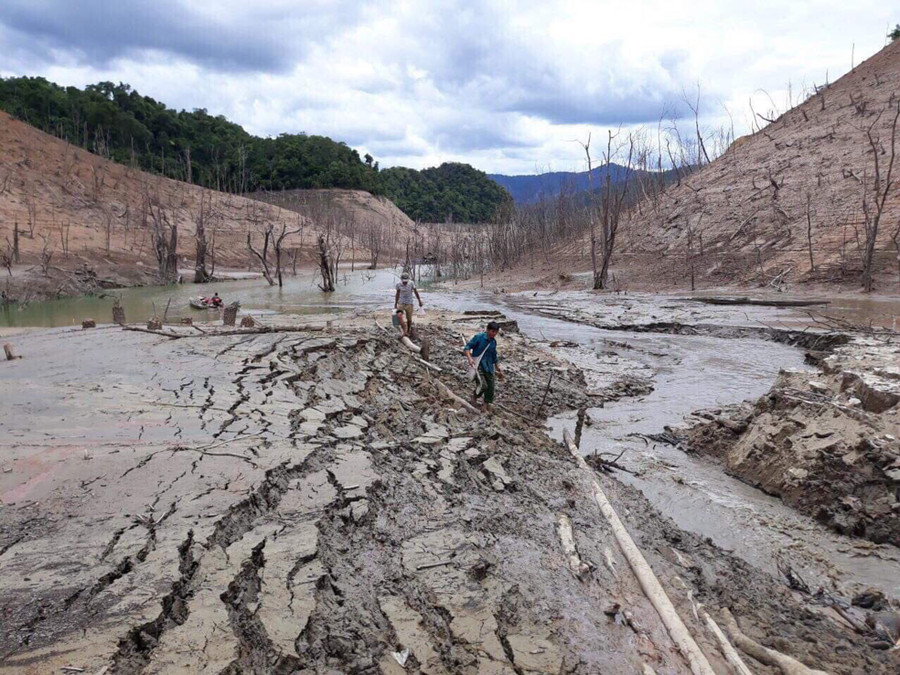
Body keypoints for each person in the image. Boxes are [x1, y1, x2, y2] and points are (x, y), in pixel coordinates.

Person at [464, 321, 504, 412]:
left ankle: (485, 405)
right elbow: (467, 348)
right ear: (488, 330)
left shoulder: (493, 342)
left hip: (489, 366)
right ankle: (474, 396)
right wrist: (470, 359)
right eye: (492, 331)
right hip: (478, 365)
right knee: (483, 385)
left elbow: (494, 355)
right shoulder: (479, 338)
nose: (494, 334)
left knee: (491, 387)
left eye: (496, 332)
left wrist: (497, 367)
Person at [394, 272, 423, 337]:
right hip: (401, 302)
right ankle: (404, 330)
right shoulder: (398, 285)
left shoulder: (411, 283)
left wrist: (419, 301)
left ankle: (408, 331)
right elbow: (397, 294)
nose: (405, 282)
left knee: (409, 319)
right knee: (399, 315)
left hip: (409, 303)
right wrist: (395, 303)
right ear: (401, 280)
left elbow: (416, 292)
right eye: (404, 281)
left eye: (406, 281)